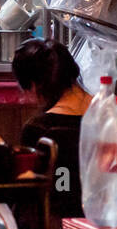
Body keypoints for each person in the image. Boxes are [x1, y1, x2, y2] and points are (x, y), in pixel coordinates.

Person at [13, 39, 90, 218]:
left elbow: (36, 197)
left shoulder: (39, 130)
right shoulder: (109, 113)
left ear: (33, 85)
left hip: (59, 228)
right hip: (106, 222)